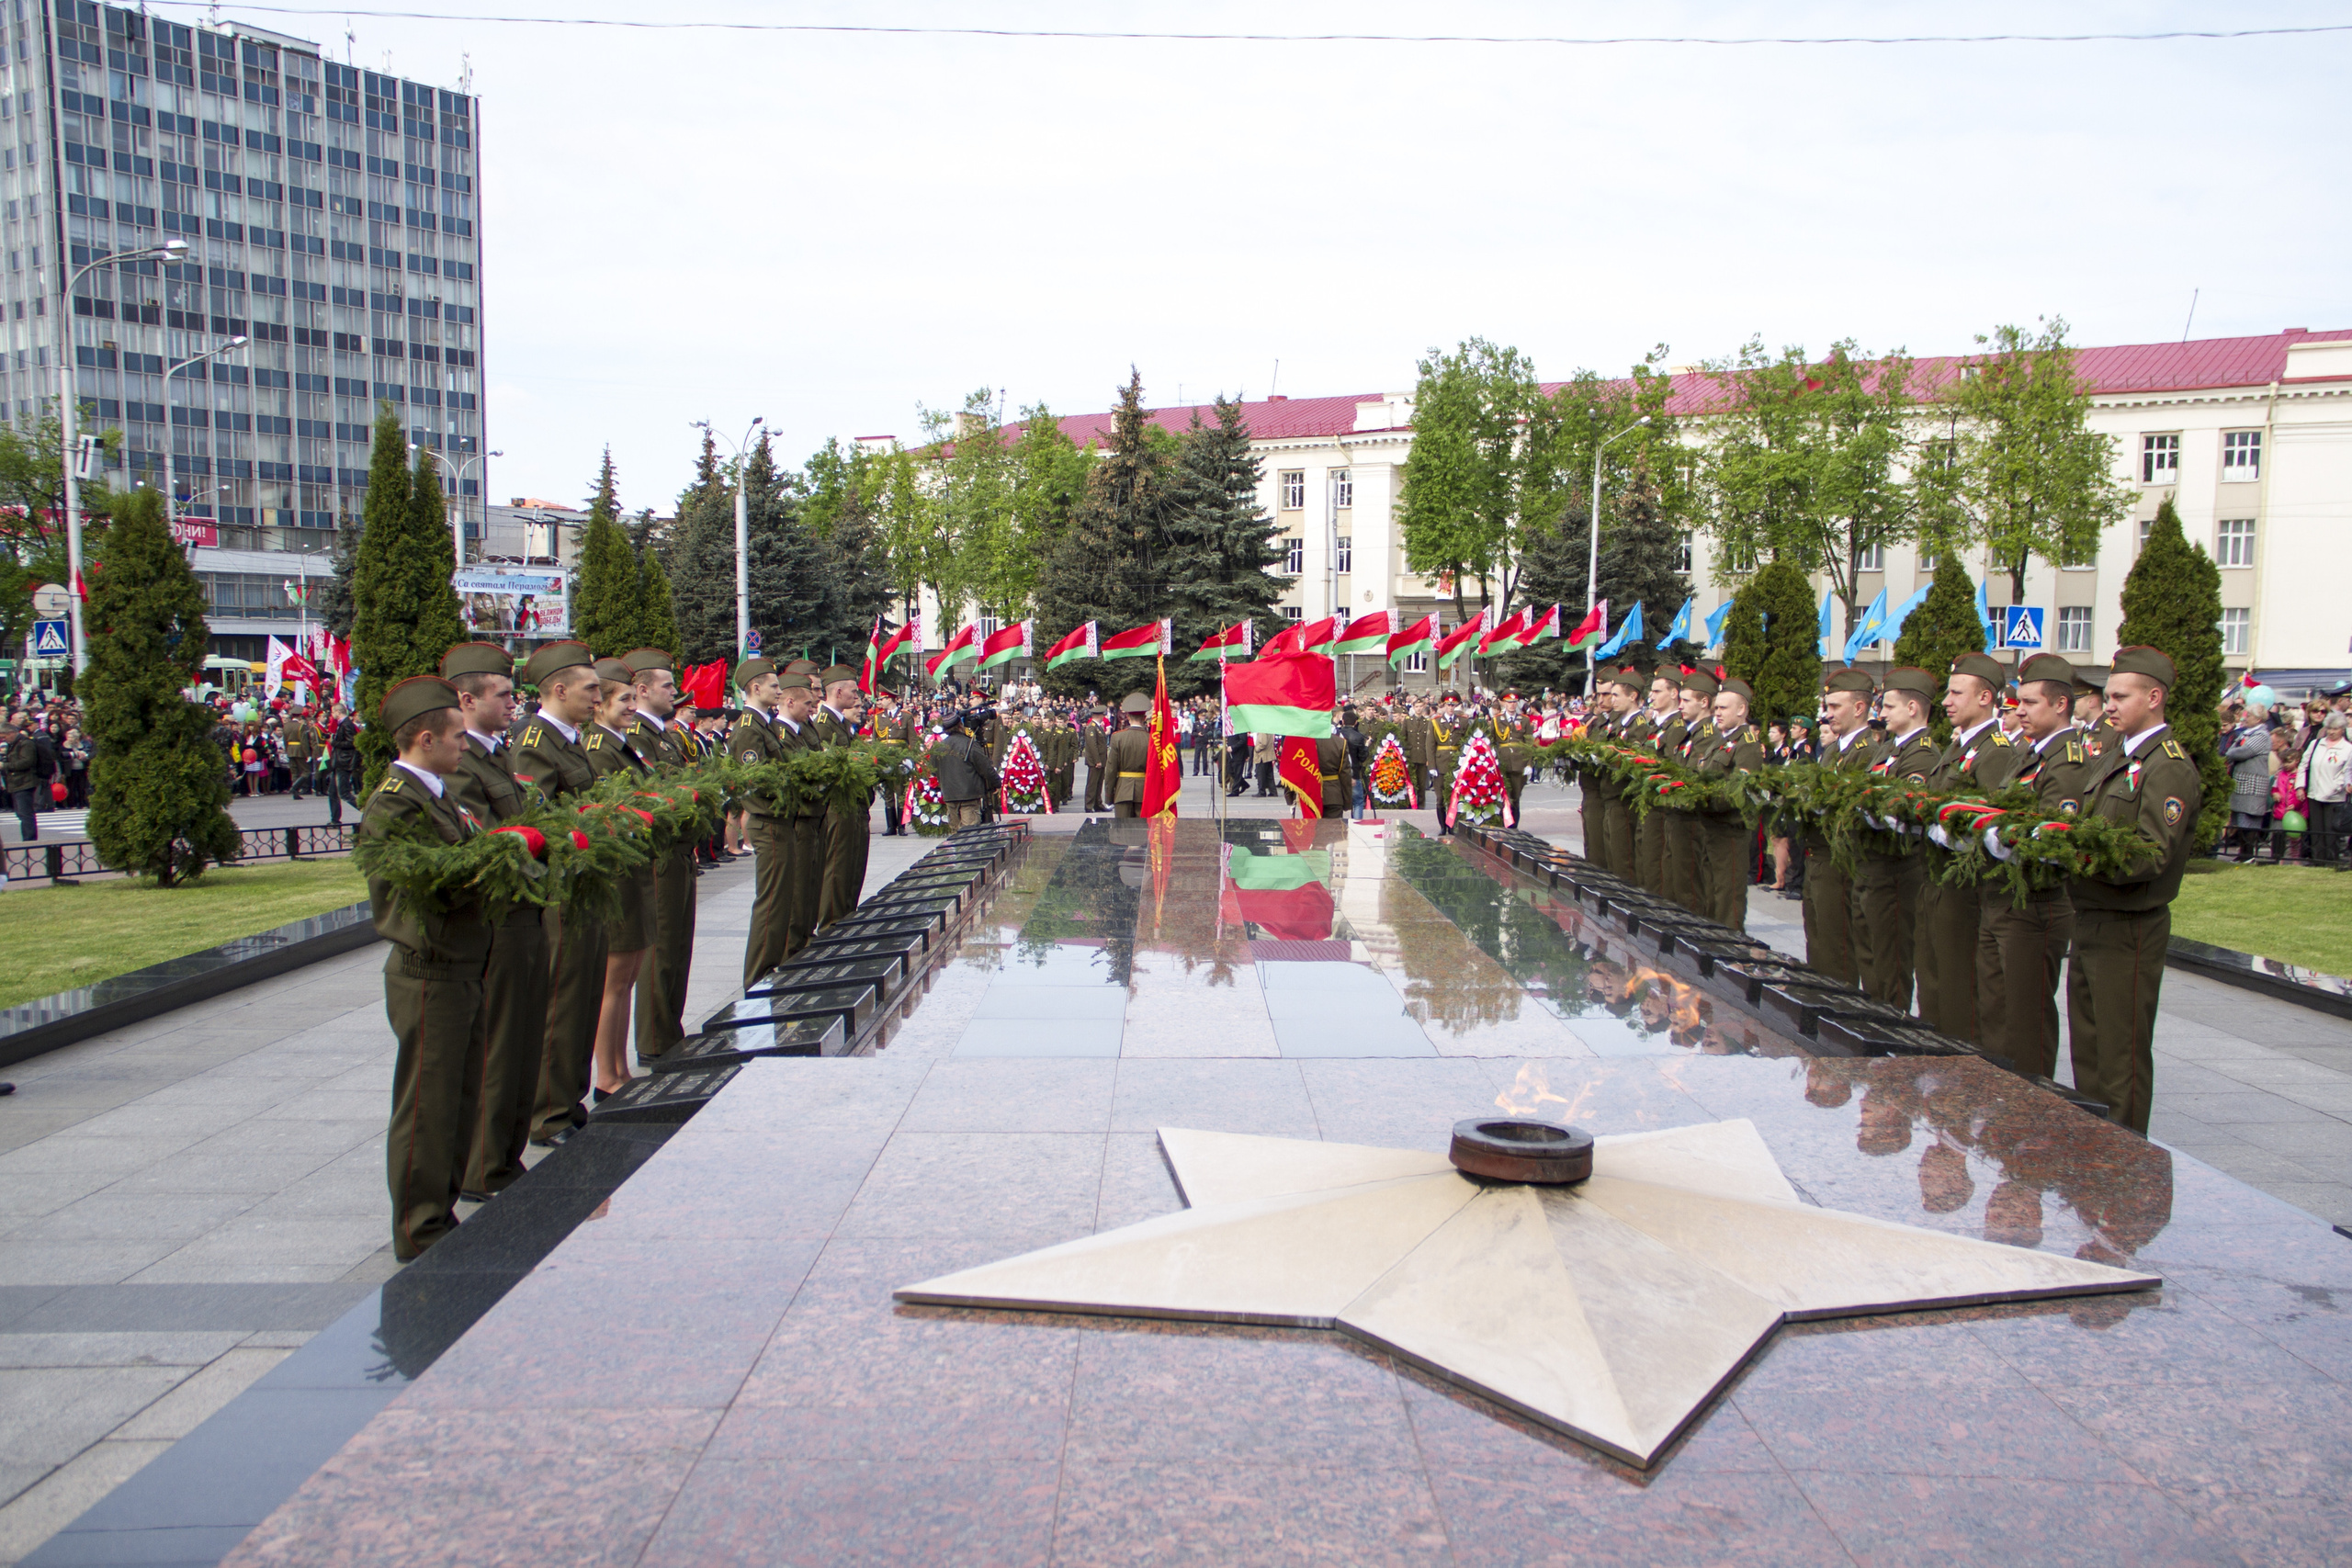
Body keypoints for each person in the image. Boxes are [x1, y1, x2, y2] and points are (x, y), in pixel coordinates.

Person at [358, 675, 490, 1260]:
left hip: (463, 960)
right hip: (430, 967)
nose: (465, 745)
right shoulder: (395, 802)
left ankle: (443, 1209)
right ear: (427, 738)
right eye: (457, 736)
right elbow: (421, 885)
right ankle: (419, 1229)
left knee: (459, 1097)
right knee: (427, 1105)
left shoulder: (435, 792)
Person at [2068, 646, 2203, 1134]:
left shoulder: (2166, 765)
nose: (2108, 705)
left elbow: (2151, 852)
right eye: (2107, 696)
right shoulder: (2115, 757)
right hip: (2093, 916)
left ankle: (2124, 1160)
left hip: (2129, 924)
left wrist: (2076, 857)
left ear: (2154, 697)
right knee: (2088, 1047)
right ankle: (2093, 1147)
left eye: (2120, 697)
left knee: (2119, 1056)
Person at [437, 642, 548, 1205]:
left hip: (528, 909)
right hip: (501, 917)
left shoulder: (497, 756)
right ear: (466, 699)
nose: (514, 702)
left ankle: (507, 1156)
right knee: (503, 1040)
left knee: (525, 1036)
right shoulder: (462, 767)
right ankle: (487, 1164)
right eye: (504, 694)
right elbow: (484, 843)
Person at [507, 642, 608, 1147]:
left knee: (586, 993)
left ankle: (570, 1098)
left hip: (585, 883)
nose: (599, 695)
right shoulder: (534, 741)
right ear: (560, 689)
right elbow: (541, 820)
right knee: (563, 998)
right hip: (560, 890)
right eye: (591, 688)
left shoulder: (569, 740)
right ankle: (548, 1114)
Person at [1976, 653, 2094, 1081]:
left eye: (2029, 703)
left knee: (2025, 1022)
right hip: (2004, 899)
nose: (2018, 711)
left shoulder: (2068, 760)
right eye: (2017, 703)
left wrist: (1997, 835)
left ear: (2060, 705)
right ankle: (1999, 1100)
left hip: (2035, 902)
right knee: (1995, 1011)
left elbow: (2052, 835)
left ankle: (2029, 1113)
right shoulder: (2027, 752)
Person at [1914, 652, 2012, 1044]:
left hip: (1965, 890)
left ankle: (1959, 1078)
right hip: (1938, 883)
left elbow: (1987, 822)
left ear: (1985, 697)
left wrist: (1945, 832)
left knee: (1958, 993)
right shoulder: (1958, 748)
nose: (1947, 701)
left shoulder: (1996, 750)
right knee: (1934, 986)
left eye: (1957, 692)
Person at [621, 649, 697, 1062]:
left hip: (679, 848)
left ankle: (669, 1029)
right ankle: (654, 1041)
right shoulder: (638, 735)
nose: (676, 691)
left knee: (678, 946)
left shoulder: (663, 734)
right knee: (661, 948)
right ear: (642, 689)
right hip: (658, 852)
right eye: (668, 685)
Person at [1859, 667, 1940, 1010]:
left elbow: (1905, 811)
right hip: (1874, 866)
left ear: (1912, 708)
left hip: (1897, 870)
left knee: (1890, 960)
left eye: (1889, 706)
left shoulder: (1922, 753)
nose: (1881, 713)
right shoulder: (1889, 748)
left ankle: (1891, 1030)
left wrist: (1869, 808)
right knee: (1871, 958)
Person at [1803, 666, 1883, 986]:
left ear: (1859, 708)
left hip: (1841, 864)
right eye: (1827, 706)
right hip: (1819, 857)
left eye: (1835, 707)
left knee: (1838, 952)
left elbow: (1848, 810)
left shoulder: (1867, 753)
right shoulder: (1834, 750)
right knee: (1818, 945)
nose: (1827, 714)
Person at [728, 657, 793, 984]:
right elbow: (754, 782)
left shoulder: (764, 724)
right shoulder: (748, 729)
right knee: (771, 902)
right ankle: (758, 976)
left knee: (781, 899)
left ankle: (773, 965)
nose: (779, 691)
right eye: (774, 685)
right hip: (768, 819)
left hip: (778, 818)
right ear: (755, 688)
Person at [1690, 675, 1764, 930]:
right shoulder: (1719, 741)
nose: (1717, 713)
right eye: (1716, 708)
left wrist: (1700, 798)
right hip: (1711, 828)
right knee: (1710, 895)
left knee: (1727, 900)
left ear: (1741, 710)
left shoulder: (1747, 744)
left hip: (1730, 831)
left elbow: (1738, 792)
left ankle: (1730, 954)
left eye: (1723, 708)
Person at [811, 664, 872, 930]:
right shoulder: (825, 725)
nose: (857, 697)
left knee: (851, 870)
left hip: (850, 805)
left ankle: (845, 923)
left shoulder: (839, 724)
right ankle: (831, 930)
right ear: (837, 691)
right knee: (837, 871)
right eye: (853, 691)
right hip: (837, 807)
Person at [2222, 705, 2276, 862]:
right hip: (2240, 783)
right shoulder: (2245, 733)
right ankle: (2242, 854)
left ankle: (2249, 854)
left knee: (2250, 820)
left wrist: (2233, 753)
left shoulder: (2262, 735)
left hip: (2253, 785)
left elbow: (2243, 752)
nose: (2245, 718)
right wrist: (2233, 753)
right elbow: (2231, 750)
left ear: (2258, 719)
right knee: (2240, 820)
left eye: (2249, 715)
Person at [933, 708, 999, 830]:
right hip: (969, 795)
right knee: (969, 836)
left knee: (955, 835)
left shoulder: (938, 747)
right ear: (960, 725)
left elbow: (933, 770)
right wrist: (996, 783)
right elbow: (985, 767)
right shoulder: (969, 744)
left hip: (949, 796)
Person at [2301, 713, 2352, 868]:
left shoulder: (2348, 748)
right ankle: (2318, 860)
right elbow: (2304, 765)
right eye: (2329, 728)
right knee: (2316, 829)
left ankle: (2331, 861)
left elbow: (2347, 771)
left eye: (2335, 729)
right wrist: (2300, 786)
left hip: (2334, 796)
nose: (2331, 732)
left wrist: (2337, 787)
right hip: (2314, 793)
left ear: (2342, 730)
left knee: (2330, 830)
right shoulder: (2316, 744)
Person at [1108, 692, 1152, 818]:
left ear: (1127, 716)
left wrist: (1109, 795)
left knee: (1123, 832)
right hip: (1145, 792)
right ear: (1144, 718)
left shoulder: (1118, 738)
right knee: (1144, 832)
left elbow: (1111, 770)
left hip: (1122, 791)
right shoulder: (1152, 739)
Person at [3, 716, 40, 840]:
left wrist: (5, 766)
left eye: (4, 736)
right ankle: (28, 837)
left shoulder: (25, 743)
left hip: (25, 782)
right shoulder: (14, 744)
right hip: (17, 782)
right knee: (21, 813)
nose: (3, 739)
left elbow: (26, 762)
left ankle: (29, 839)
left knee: (25, 813)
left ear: (11, 733)